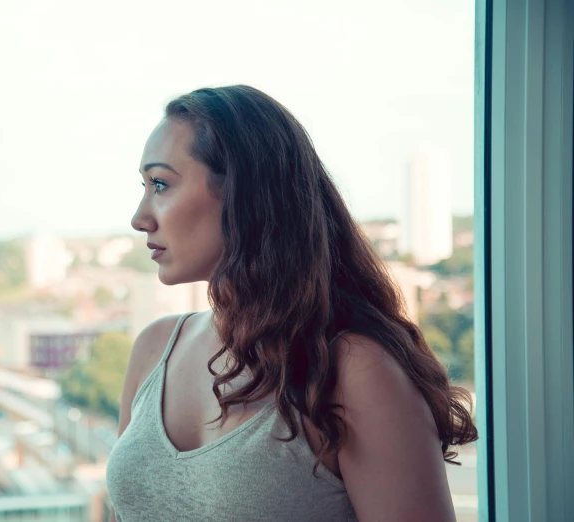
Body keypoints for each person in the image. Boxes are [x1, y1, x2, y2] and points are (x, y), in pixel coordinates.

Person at [105, 85, 477, 522]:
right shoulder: (154, 349)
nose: (139, 217)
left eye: (161, 184)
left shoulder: (356, 372)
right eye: (145, 186)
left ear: (245, 195)